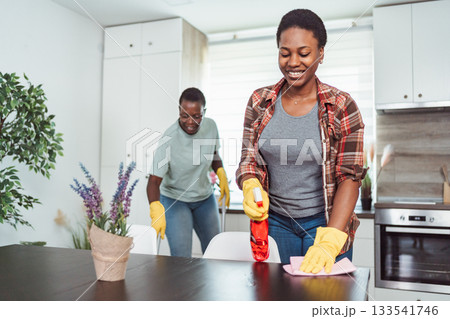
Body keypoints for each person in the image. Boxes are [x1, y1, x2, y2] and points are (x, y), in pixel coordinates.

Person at [236, 9, 366, 272]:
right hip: (275, 223)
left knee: (324, 304)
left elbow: (350, 177)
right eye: (285, 53)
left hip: (326, 222)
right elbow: (250, 160)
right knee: (276, 301)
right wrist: (250, 182)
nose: (293, 62)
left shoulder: (341, 106)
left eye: (303, 53)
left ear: (321, 53)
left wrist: (330, 240)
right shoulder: (259, 102)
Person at [147, 87, 230, 257]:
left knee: (216, 252)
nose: (190, 121)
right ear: (179, 111)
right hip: (175, 200)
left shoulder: (211, 126)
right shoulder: (169, 139)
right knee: (181, 257)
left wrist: (220, 172)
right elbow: (154, 181)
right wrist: (155, 206)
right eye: (185, 115)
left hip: (204, 198)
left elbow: (214, 155)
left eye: (196, 116)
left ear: (204, 112)